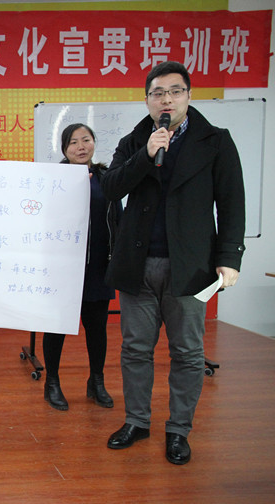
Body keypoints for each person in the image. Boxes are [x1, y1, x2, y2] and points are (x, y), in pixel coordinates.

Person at [100, 61, 245, 465]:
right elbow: (111, 187)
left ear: (188, 96)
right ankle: (137, 421)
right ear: (147, 100)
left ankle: (179, 430)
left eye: (175, 91)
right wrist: (146, 156)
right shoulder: (135, 140)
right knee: (135, 349)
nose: (166, 100)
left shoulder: (215, 141)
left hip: (190, 267)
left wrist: (229, 257)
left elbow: (232, 202)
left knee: (187, 352)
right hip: (137, 264)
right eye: (158, 93)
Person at [42, 123, 122, 411]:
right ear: (64, 149)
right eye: (73, 142)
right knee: (56, 327)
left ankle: (96, 381)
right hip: (62, 267)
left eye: (86, 140)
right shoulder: (52, 180)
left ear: (94, 143)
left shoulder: (106, 178)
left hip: (98, 265)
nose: (80, 147)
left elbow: (118, 219)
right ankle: (52, 382)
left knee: (97, 327)